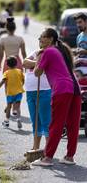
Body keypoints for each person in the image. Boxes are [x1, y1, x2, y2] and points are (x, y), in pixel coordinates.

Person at [32, 28, 81, 166]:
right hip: (72, 87)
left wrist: (38, 58)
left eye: (42, 37)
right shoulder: (58, 50)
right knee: (72, 124)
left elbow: (37, 72)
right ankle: (69, 157)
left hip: (61, 89)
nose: (40, 39)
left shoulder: (47, 51)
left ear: (50, 39)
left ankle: (47, 158)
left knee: (56, 124)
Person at [23, 49, 51, 150]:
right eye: (40, 38)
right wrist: (38, 62)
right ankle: (36, 147)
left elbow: (44, 67)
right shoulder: (36, 52)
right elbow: (25, 62)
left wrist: (33, 64)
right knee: (35, 121)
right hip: (30, 91)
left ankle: (48, 149)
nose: (40, 40)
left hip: (44, 90)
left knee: (46, 121)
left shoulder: (51, 53)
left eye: (43, 38)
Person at [0, 56, 24, 128]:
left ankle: (7, 121)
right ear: (16, 64)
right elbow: (23, 80)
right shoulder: (19, 71)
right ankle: (18, 118)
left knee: (8, 107)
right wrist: (21, 86)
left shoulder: (7, 73)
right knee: (17, 106)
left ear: (7, 64)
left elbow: (3, 81)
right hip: (19, 91)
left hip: (10, 93)